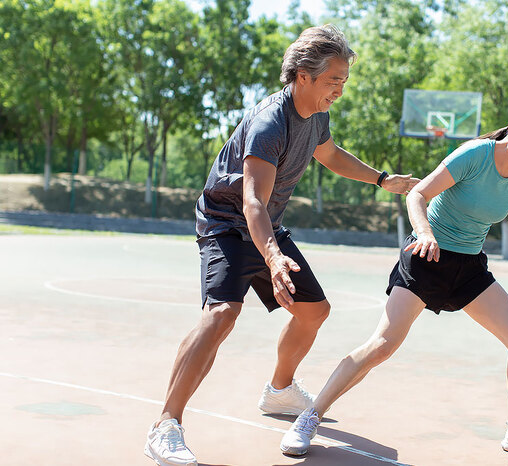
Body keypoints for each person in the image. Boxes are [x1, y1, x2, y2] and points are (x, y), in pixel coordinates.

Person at [280, 98, 508, 461]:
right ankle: (309, 416)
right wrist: (424, 232)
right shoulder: (475, 155)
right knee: (382, 344)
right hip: (427, 256)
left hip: (468, 267)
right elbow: (418, 193)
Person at [144, 24, 419, 466]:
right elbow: (252, 200)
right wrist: (272, 257)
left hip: (266, 224)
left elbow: (329, 154)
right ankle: (166, 425)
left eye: (344, 81)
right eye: (334, 81)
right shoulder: (270, 122)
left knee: (314, 309)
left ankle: (279, 390)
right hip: (227, 223)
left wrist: (382, 179)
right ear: (303, 76)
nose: (340, 90)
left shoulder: (316, 116)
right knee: (221, 315)